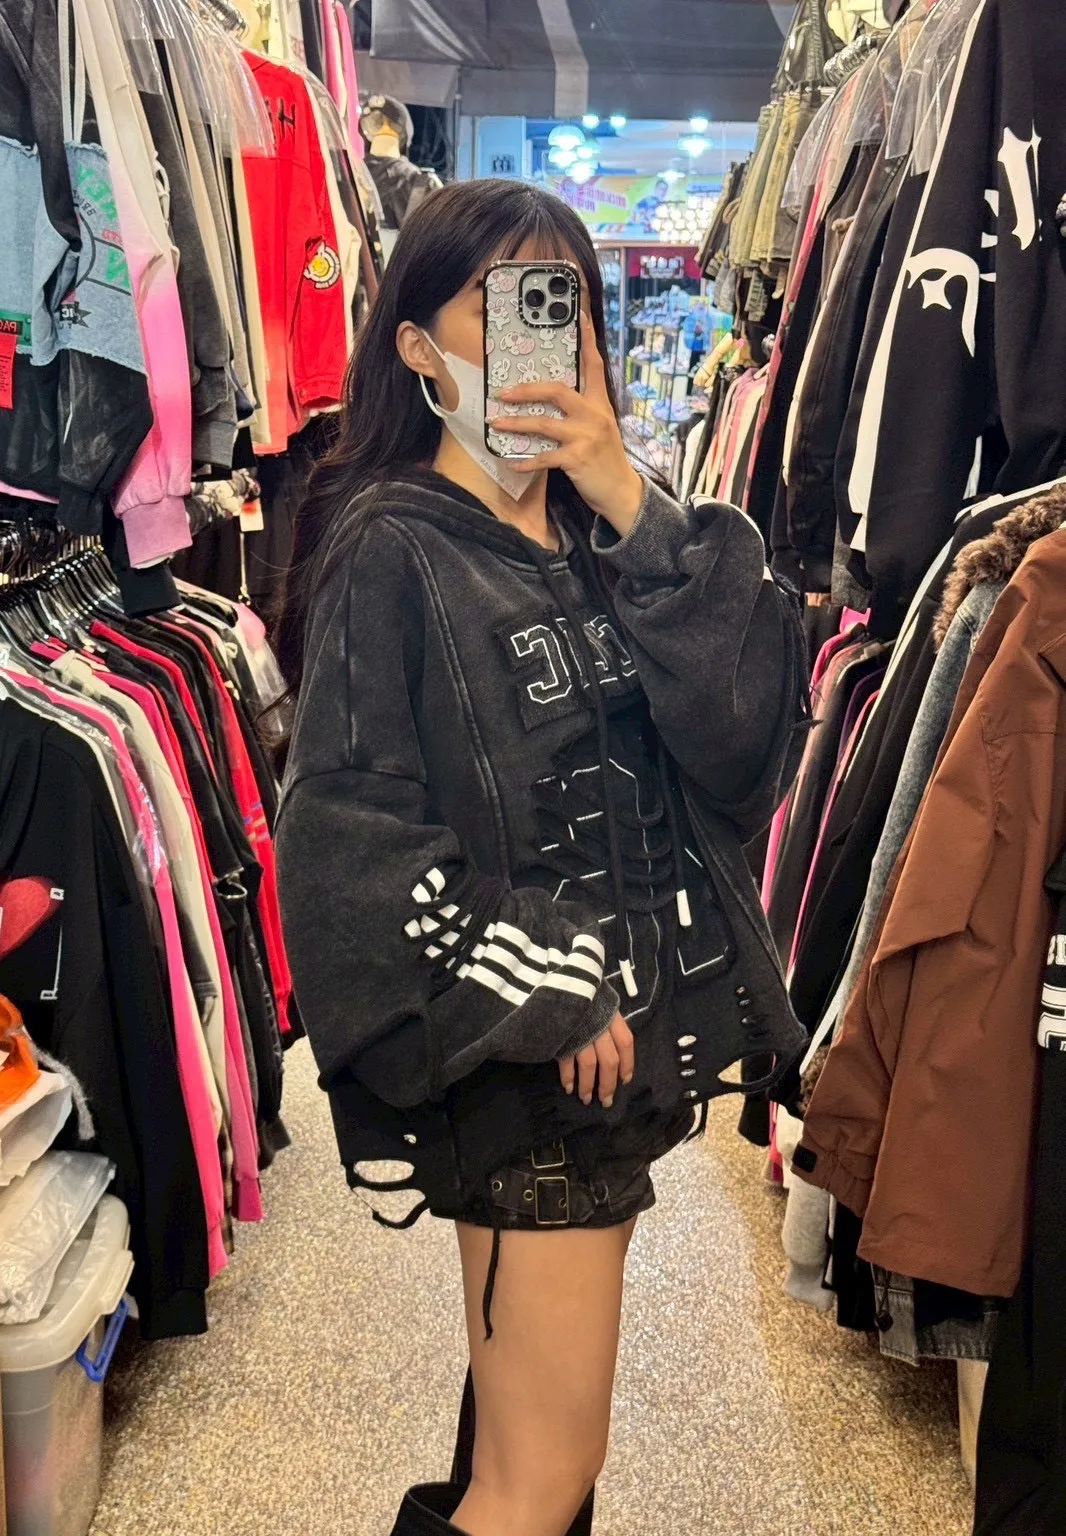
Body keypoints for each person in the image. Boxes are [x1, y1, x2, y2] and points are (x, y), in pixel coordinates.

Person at [274, 179, 808, 1536]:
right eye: (501, 304)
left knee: (520, 1460)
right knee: (538, 1479)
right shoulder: (391, 548)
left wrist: (627, 493)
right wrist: (550, 981)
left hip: (617, 1067)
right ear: (415, 344)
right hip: (528, 1077)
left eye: (561, 304)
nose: (545, 338)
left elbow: (741, 738)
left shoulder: (597, 534)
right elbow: (345, 844)